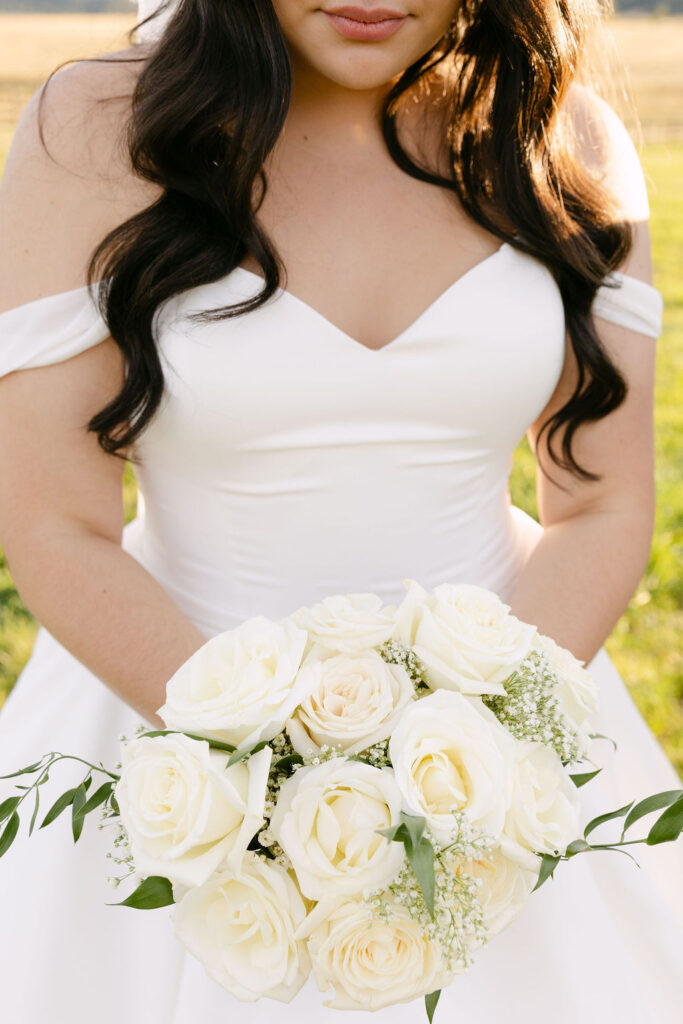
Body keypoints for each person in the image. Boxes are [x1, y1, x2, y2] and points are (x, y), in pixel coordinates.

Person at [0, 1, 681, 1021]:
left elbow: (605, 502)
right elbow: (57, 522)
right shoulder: (97, 129)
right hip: (161, 705)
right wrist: (260, 785)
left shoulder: (556, 136)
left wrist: (471, 765)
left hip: (508, 723)